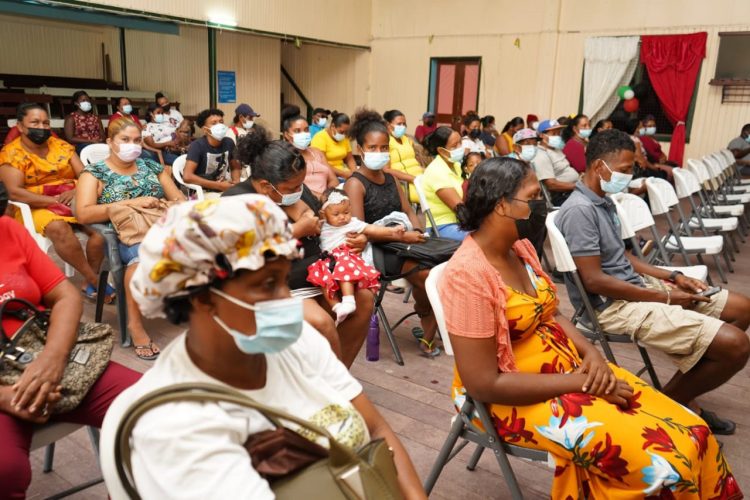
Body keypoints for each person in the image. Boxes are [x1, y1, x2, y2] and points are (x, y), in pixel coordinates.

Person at [440, 157, 742, 499]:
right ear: (501, 206)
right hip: (507, 401)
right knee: (665, 460)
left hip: (569, 371)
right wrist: (585, 382)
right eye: (534, 196)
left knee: (694, 429)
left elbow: (550, 316)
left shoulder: (520, 249)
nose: (543, 206)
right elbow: (484, 383)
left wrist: (593, 355)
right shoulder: (467, 275)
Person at [102, 194, 426, 499]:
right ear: (202, 299)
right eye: (267, 285)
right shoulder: (177, 426)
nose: (287, 300)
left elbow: (376, 428)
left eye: (284, 281)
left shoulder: (299, 343)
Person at [557, 129, 750, 434]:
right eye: (625, 169)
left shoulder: (603, 200)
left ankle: (685, 398)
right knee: (737, 346)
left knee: (741, 309)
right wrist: (668, 299)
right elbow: (594, 280)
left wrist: (674, 276)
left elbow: (622, 256)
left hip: (637, 290)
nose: (631, 175)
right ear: (598, 167)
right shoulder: (580, 210)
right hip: (612, 307)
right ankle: (671, 406)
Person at [0, 185, 141, 497]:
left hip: (42, 351)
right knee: (5, 471)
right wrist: (5, 396)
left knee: (157, 411)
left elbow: (63, 294)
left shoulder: (7, 229)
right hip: (6, 388)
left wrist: (52, 359)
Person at [224, 125, 374, 367]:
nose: (300, 190)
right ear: (265, 186)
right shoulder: (236, 201)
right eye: (292, 188)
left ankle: (337, 376)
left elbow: (322, 223)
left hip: (316, 275)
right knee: (321, 323)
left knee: (364, 299)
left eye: (301, 184)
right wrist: (295, 231)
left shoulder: (293, 190)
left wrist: (356, 237)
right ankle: (328, 384)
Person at [75, 117, 186, 360]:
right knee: (141, 255)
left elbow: (179, 199)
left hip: (161, 227)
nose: (132, 145)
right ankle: (135, 326)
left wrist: (163, 205)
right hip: (122, 234)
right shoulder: (94, 173)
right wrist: (130, 204)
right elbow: (83, 213)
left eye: (137, 140)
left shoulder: (152, 168)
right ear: (110, 142)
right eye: (125, 140)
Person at [344, 109, 440, 356]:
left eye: (384, 148)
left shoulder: (391, 179)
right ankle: (429, 329)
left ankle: (427, 321)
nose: (380, 153)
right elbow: (360, 231)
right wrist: (401, 237)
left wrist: (417, 232)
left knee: (441, 269)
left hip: (402, 243)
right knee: (429, 277)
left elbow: (409, 211)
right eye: (373, 148)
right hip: (375, 251)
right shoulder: (355, 184)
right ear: (361, 149)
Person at [0, 103, 110, 302]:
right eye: (34, 122)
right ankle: (93, 278)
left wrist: (77, 189)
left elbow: (86, 174)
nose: (41, 127)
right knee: (58, 228)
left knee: (101, 230)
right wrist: (52, 200)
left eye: (45, 123)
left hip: (72, 198)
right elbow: (14, 192)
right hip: (35, 205)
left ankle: (88, 282)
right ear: (20, 126)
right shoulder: (12, 154)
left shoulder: (61, 147)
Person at [307, 188, 403, 324]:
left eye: (346, 212)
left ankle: (348, 300)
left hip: (345, 256)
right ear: (323, 214)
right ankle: (337, 307)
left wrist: (392, 230)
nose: (342, 217)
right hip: (327, 260)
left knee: (343, 266)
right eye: (336, 214)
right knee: (320, 277)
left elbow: (373, 229)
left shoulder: (352, 223)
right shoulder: (321, 225)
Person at [422, 126, 469, 241]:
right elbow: (460, 210)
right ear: (441, 151)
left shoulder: (457, 166)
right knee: (486, 237)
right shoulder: (436, 171)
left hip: (459, 223)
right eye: (454, 146)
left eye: (460, 142)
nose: (460, 148)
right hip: (443, 226)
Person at [280, 108, 337, 199]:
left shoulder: (317, 152)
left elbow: (333, 179)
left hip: (328, 200)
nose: (304, 134)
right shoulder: (284, 157)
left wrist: (328, 196)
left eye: (306, 130)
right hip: (303, 201)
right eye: (297, 131)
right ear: (287, 135)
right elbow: (292, 188)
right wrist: (320, 198)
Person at [183, 108, 242, 195]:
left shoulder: (229, 142)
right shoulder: (197, 146)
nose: (219, 125)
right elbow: (187, 176)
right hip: (202, 191)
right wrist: (219, 186)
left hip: (224, 187)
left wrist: (236, 182)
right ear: (205, 130)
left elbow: (235, 166)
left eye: (221, 122)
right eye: (214, 123)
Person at [384, 109, 424, 204]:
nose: (402, 126)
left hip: (419, 178)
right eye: (399, 124)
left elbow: (415, 162)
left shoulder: (407, 140)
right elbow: (386, 170)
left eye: (404, 124)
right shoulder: (385, 142)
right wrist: (413, 179)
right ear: (388, 125)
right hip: (405, 183)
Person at [535, 120, 579, 206]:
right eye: (554, 134)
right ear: (541, 135)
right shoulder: (541, 154)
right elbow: (551, 185)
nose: (558, 137)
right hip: (562, 196)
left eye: (558, 134)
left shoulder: (556, 149)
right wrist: (578, 186)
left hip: (572, 191)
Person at [310, 111, 357, 178]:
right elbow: (321, 163)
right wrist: (343, 174)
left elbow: (349, 159)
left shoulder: (344, 138)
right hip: (326, 173)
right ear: (332, 126)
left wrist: (354, 171)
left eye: (346, 132)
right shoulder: (320, 137)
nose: (344, 135)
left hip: (343, 172)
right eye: (342, 132)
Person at [63, 90, 105, 155]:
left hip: (97, 144)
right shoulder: (71, 118)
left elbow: (102, 135)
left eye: (88, 100)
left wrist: (100, 140)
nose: (87, 102)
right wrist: (91, 141)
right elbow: (70, 138)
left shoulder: (96, 118)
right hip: (81, 146)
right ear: (76, 103)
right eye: (83, 100)